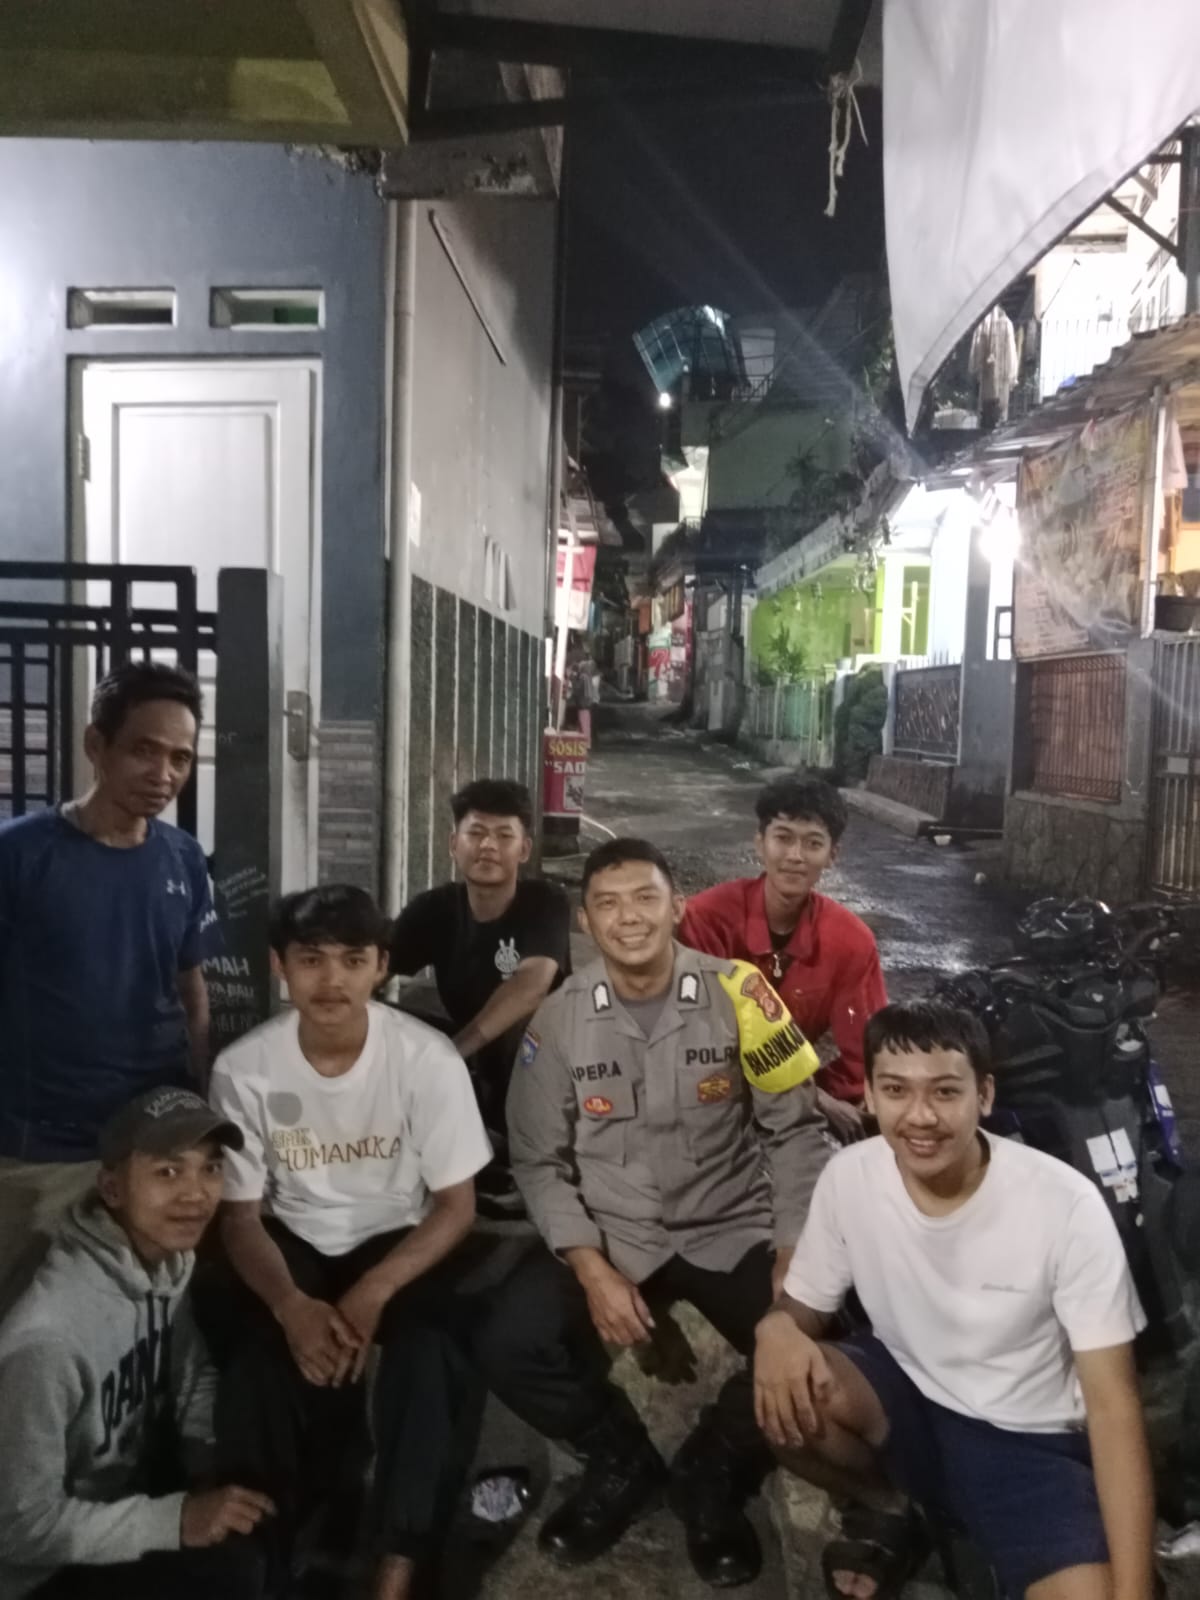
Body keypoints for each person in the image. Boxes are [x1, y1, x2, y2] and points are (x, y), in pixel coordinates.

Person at [483, 837, 830, 1588]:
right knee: (507, 1340)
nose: (629, 917)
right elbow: (538, 1161)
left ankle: (713, 1469)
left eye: (645, 897)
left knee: (826, 1340)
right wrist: (590, 1268)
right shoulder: (559, 1019)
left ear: (678, 907)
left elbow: (798, 1131)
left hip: (731, 1221)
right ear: (586, 922)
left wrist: (793, 1246)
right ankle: (620, 1462)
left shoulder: (742, 993)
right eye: (607, 904)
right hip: (614, 1230)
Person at [754, 1001, 1153, 1600]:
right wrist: (777, 1328)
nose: (920, 1116)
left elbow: (1113, 1405)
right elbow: (804, 1305)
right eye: (896, 1090)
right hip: (909, 1393)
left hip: (1028, 1442)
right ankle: (890, 1507)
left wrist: (1135, 1590)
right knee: (786, 1396)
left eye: (945, 1091)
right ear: (868, 1095)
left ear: (983, 1095)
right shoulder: (850, 1176)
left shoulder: (1065, 1206)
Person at [209, 885, 493, 1600]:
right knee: (258, 1366)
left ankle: (399, 1560)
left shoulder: (425, 1058)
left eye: (353, 959)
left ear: (381, 967)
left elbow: (456, 1207)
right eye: (311, 959)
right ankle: (264, 1557)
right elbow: (241, 1217)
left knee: (431, 1353)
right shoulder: (244, 1068)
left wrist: (373, 1290)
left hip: (397, 1234)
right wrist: (289, 1305)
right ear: (279, 966)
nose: (331, 980)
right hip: (294, 1234)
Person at [0, 661, 221, 1302]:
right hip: (38, 1151)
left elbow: (192, 988)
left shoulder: (183, 857)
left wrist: (198, 1093)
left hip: (150, 1143)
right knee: (26, 1327)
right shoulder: (18, 855)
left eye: (180, 758)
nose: (164, 774)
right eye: (144, 751)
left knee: (139, 1321)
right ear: (96, 745)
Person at [0, 1086, 273, 1600]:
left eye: (210, 1168)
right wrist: (177, 1520)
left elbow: (191, 1370)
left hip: (123, 1495)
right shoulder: (45, 1339)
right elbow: (18, 1529)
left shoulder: (167, 1262)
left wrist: (206, 1466)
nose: (196, 1194)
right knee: (230, 1574)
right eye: (168, 1172)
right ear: (112, 1188)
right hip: (39, 1572)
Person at [679, 776, 886, 1141]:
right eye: (783, 838)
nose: (795, 856)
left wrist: (812, 1098)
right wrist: (810, 1097)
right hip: (704, 1096)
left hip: (789, 1105)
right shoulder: (706, 918)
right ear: (760, 843)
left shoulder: (851, 941)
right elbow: (691, 1041)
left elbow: (867, 1056)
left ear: (832, 855)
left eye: (813, 843)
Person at [390, 779, 571, 1159]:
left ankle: (528, 1147)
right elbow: (373, 966)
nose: (488, 845)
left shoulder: (545, 901)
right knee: (375, 1018)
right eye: (476, 833)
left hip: (539, 1059)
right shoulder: (435, 908)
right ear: (454, 844)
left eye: (504, 835)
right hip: (468, 1051)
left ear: (524, 850)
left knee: (523, 1025)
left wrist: (453, 1052)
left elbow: (531, 984)